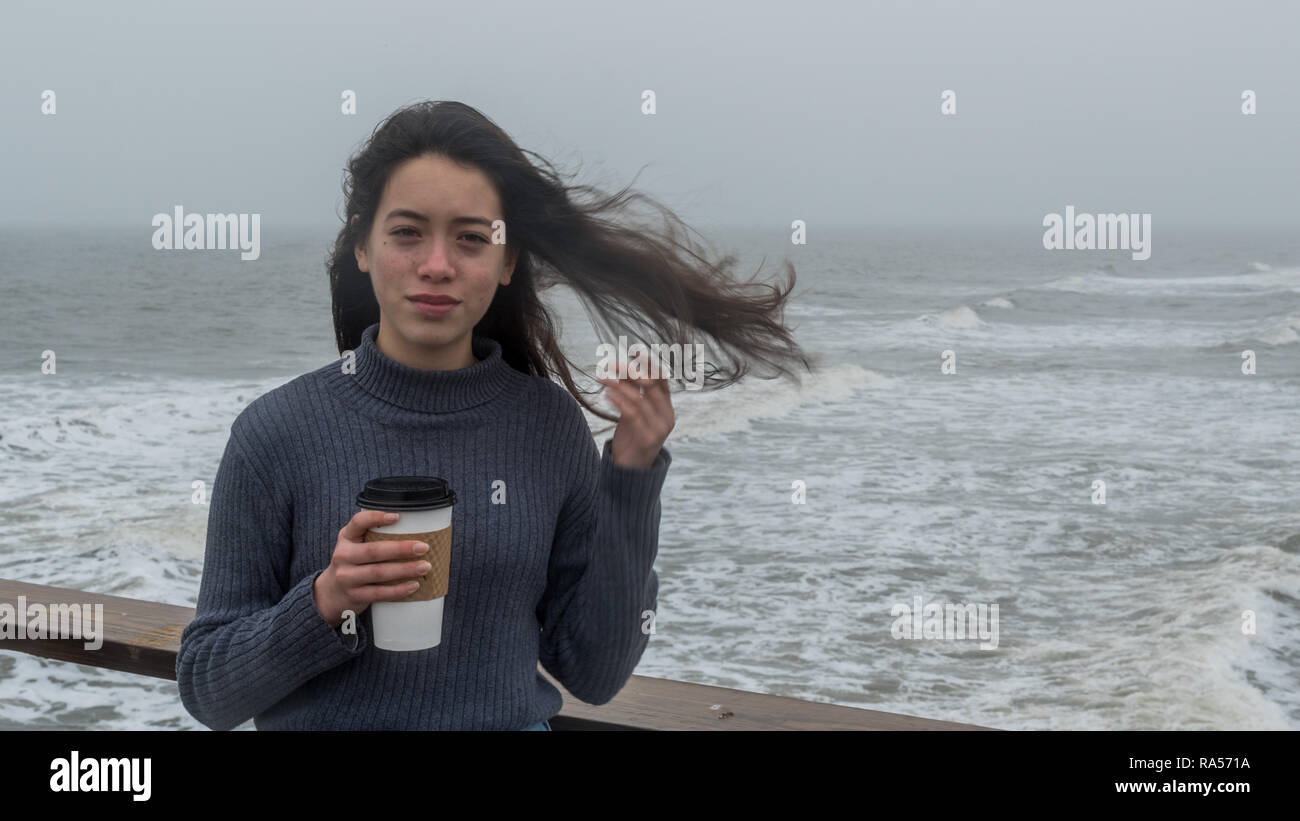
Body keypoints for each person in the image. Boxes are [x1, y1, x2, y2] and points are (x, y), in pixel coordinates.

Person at [176, 100, 813, 730]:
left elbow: (594, 672)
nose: (437, 265)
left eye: (471, 239)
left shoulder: (547, 427)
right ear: (362, 249)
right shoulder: (276, 432)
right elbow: (208, 688)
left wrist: (630, 474)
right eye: (406, 232)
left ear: (507, 263)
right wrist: (326, 601)